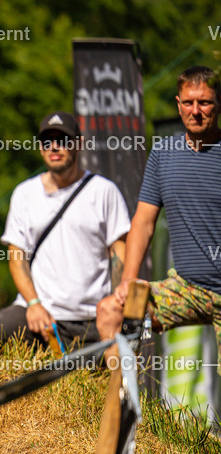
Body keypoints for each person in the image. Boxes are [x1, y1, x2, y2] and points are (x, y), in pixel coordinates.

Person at [0, 110, 129, 351]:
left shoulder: (104, 191)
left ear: (79, 144)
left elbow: (120, 252)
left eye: (63, 140)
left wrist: (116, 304)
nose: (54, 147)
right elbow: (17, 257)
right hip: (38, 314)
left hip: (91, 318)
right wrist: (34, 303)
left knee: (115, 374)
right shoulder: (25, 194)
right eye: (47, 141)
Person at [97, 66, 221, 362]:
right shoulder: (164, 154)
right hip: (188, 288)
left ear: (218, 104)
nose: (196, 111)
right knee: (111, 312)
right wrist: (128, 279)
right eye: (188, 102)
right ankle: (124, 404)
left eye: (204, 102)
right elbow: (143, 222)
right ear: (178, 105)